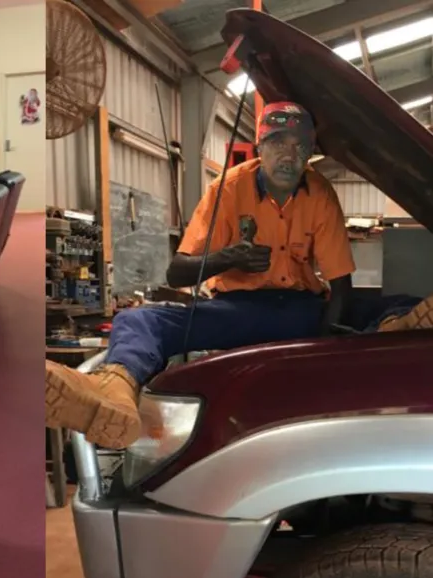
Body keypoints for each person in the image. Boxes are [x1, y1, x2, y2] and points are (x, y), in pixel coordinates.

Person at [48, 101, 364, 450]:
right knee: (137, 320)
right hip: (234, 313)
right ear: (259, 146)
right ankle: (114, 389)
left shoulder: (320, 193)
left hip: (299, 312)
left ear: (309, 154)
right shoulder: (228, 188)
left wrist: (324, 351)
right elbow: (178, 272)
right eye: (278, 143)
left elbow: (341, 285)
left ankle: (398, 329)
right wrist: (229, 257)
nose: (289, 156)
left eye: (300, 146)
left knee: (385, 308)